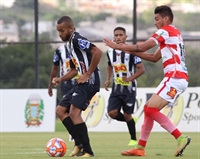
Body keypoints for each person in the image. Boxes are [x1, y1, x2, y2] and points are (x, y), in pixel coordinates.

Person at [103, 5, 191, 157]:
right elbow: (153, 57)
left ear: (166, 18)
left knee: (151, 109)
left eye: (157, 19)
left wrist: (119, 47)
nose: (155, 23)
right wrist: (125, 49)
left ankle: (180, 137)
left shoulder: (165, 31)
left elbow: (143, 46)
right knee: (148, 109)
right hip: (178, 78)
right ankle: (140, 147)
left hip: (174, 77)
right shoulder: (175, 33)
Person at [52, 16, 103, 157]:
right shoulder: (69, 45)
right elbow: (74, 70)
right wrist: (60, 79)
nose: (60, 34)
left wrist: (87, 74)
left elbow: (98, 52)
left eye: (62, 30)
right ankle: (79, 144)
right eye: (58, 31)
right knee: (60, 110)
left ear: (71, 28)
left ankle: (87, 150)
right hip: (81, 82)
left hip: (90, 82)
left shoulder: (77, 39)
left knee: (74, 113)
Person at [104, 26, 145, 147]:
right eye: (116, 35)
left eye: (121, 35)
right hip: (116, 88)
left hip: (129, 89)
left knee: (127, 114)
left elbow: (142, 69)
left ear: (126, 37)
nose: (118, 37)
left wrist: (129, 78)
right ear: (113, 37)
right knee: (112, 113)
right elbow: (109, 65)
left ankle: (133, 139)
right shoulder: (110, 52)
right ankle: (131, 121)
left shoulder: (131, 52)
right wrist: (108, 79)